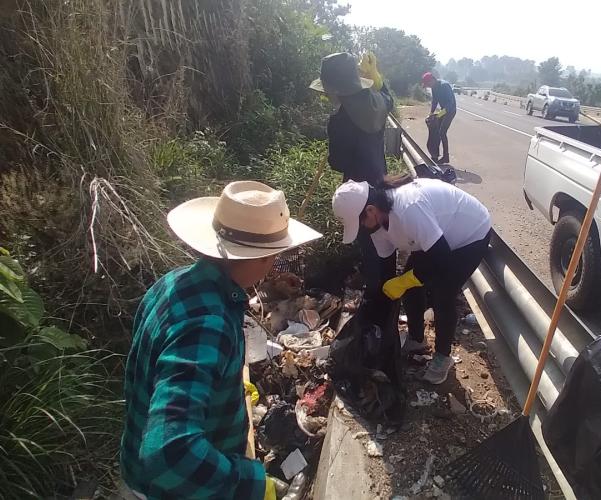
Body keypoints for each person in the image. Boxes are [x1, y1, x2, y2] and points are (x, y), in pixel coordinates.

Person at [120, 181, 321, 499]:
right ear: (262, 259)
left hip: (137, 471)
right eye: (273, 256)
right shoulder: (208, 326)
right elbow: (169, 454)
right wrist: (254, 484)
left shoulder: (171, 283)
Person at [332, 175, 492, 385]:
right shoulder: (376, 224)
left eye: (360, 222)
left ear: (370, 210)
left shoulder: (408, 209)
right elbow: (386, 267)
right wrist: (378, 304)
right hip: (437, 237)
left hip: (469, 234)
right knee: (410, 287)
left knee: (443, 293)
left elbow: (441, 256)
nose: (361, 228)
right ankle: (417, 339)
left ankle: (442, 358)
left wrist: (406, 280)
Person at [310, 52, 395, 304]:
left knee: (368, 244)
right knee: (385, 239)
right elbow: (389, 98)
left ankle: (375, 297)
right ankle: (388, 291)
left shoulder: (338, 122)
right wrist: (377, 78)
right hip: (381, 182)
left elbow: (337, 162)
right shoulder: (377, 102)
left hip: (357, 191)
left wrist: (335, 149)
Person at [422, 72, 457, 164]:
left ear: (432, 80)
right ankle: (435, 155)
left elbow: (450, 104)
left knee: (442, 132)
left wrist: (439, 115)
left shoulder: (444, 86)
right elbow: (435, 101)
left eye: (428, 84)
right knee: (436, 131)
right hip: (443, 110)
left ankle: (446, 157)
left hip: (450, 111)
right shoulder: (434, 88)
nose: (428, 86)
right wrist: (431, 113)